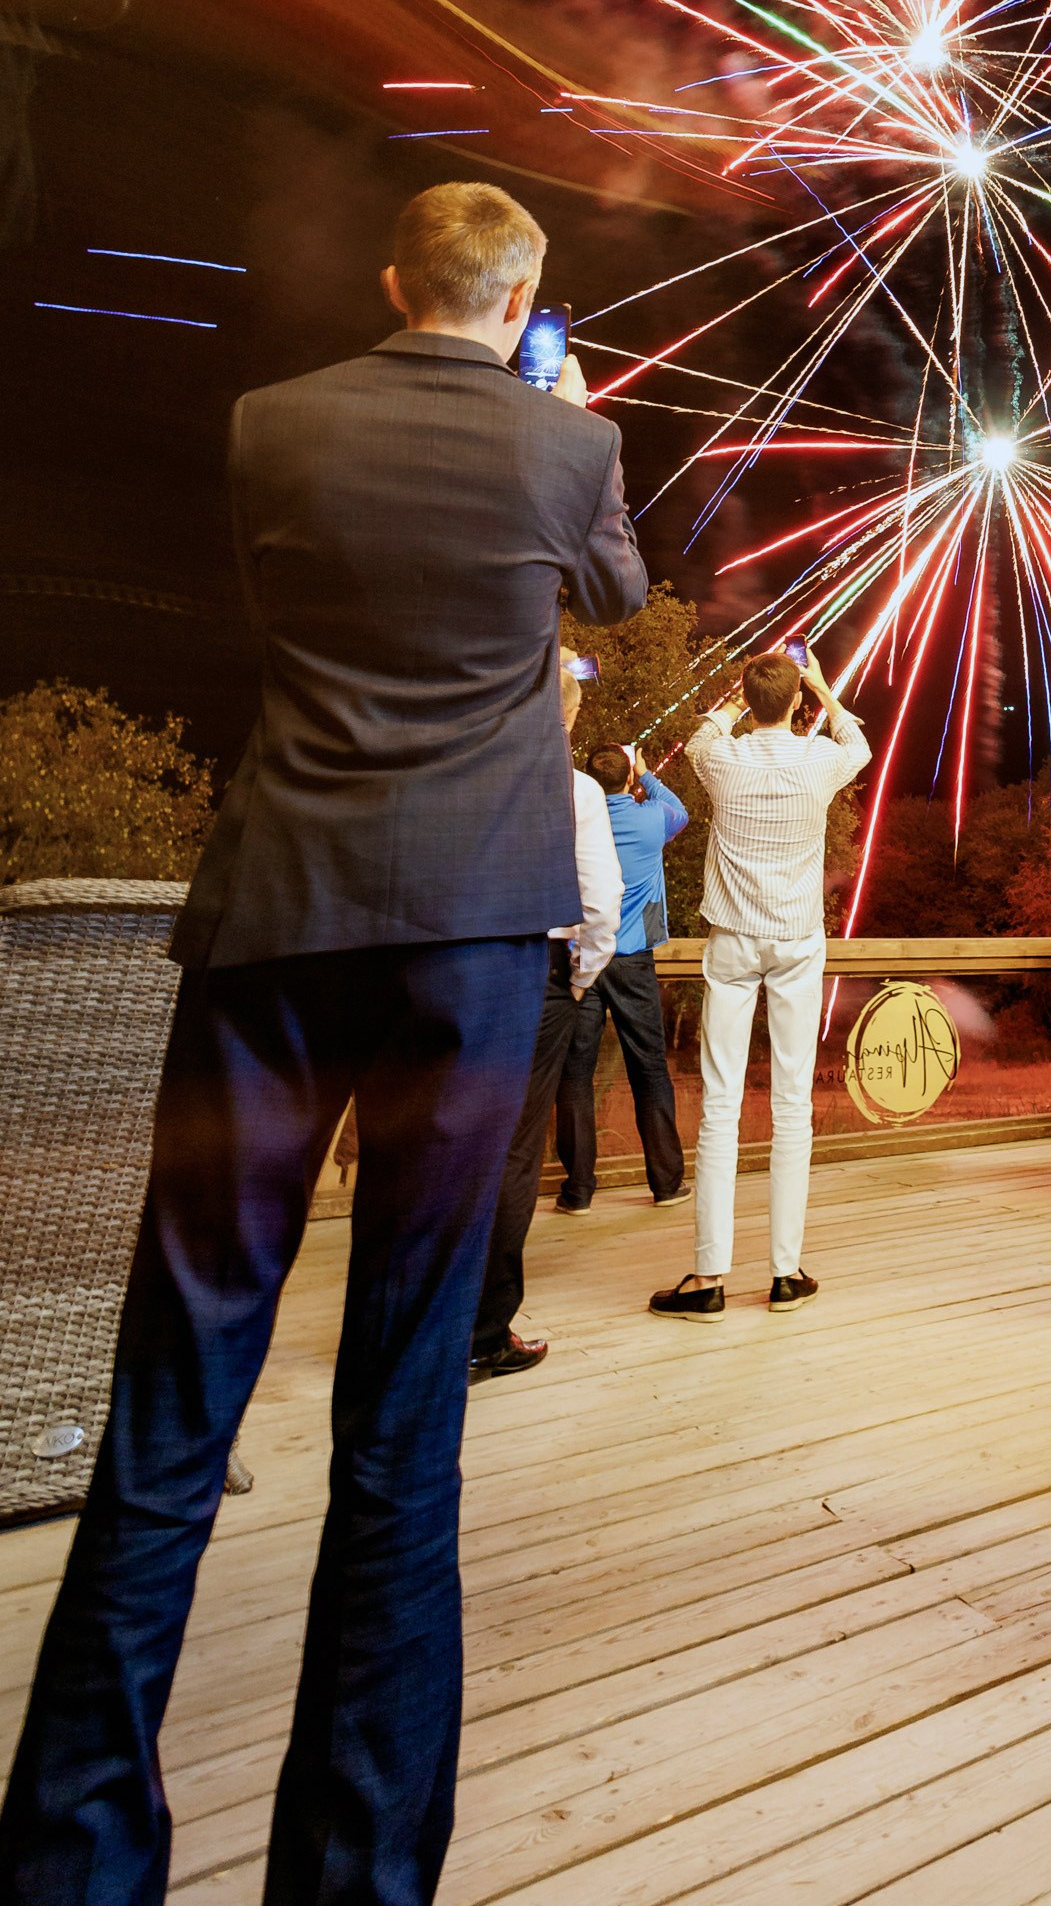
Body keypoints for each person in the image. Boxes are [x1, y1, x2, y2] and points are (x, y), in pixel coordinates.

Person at [0, 182, 647, 1906]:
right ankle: (356, 1871)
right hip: (468, 945)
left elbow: (290, 622)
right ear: (521, 300)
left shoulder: (268, 427)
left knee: (175, 1388)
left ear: (388, 283)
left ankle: (71, 1857)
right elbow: (618, 597)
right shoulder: (563, 449)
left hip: (277, 916)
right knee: (402, 1412)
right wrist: (566, 427)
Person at [649, 645, 869, 1317]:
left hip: (733, 942)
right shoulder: (821, 761)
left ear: (750, 700)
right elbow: (854, 739)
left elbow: (703, 730)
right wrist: (822, 690)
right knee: (792, 1104)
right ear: (799, 704)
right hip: (797, 941)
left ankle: (709, 1276)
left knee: (719, 1105)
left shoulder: (723, 760)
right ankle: (784, 1272)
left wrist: (740, 696)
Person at [468, 656, 627, 1377]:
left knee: (443, 1142)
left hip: (454, 969)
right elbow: (599, 902)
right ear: (568, 717)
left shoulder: (464, 773)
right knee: (513, 1150)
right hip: (537, 971)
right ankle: (484, 1329)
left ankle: (415, 1321)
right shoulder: (578, 791)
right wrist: (579, 977)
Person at [554, 745, 690, 1210]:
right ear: (627, 775)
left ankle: (578, 1192)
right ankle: (667, 1183)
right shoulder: (651, 819)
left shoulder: (576, 822)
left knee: (575, 1075)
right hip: (633, 962)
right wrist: (647, 774)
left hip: (584, 959)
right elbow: (681, 812)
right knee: (649, 1068)